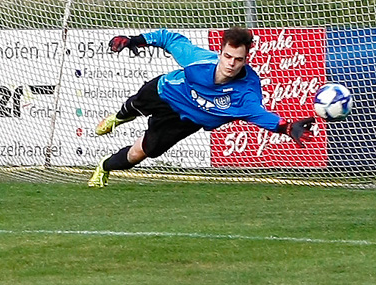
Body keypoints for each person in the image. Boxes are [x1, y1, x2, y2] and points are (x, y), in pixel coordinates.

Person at [88, 27, 315, 188]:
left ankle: (104, 166)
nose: (231, 63)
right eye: (227, 56)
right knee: (132, 107)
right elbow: (169, 38)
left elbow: (259, 114)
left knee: (139, 154)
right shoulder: (200, 61)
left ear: (246, 59)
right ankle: (117, 119)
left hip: (186, 121)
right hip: (165, 92)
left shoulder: (247, 91)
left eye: (238, 59)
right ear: (220, 53)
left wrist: (285, 128)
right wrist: (133, 40)